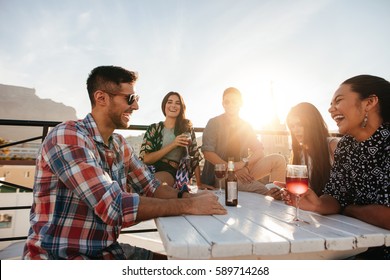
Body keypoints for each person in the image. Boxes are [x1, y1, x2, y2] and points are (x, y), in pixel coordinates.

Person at [23, 66, 226, 260]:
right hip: (60, 257)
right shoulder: (67, 136)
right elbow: (114, 207)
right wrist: (189, 205)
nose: (136, 105)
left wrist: (192, 196)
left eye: (136, 98)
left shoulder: (120, 144)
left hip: (106, 250)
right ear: (101, 98)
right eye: (130, 98)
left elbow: (152, 186)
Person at [279, 75, 390, 259]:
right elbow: (336, 197)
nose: (330, 109)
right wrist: (317, 204)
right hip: (356, 246)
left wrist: (349, 209)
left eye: (338, 101)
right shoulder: (346, 146)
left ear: (369, 102)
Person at [201, 87, 286, 194]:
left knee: (278, 160)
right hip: (220, 175)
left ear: (240, 103)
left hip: (243, 171)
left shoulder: (246, 126)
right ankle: (273, 194)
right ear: (223, 104)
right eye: (227, 102)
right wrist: (233, 168)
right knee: (262, 189)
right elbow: (208, 153)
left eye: (234, 101)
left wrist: (243, 164)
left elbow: (259, 150)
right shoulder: (214, 123)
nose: (231, 104)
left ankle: (277, 192)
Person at [139, 91, 212, 190]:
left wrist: (199, 183)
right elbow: (146, 159)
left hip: (171, 171)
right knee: (134, 183)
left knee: (152, 184)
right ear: (164, 105)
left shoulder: (186, 129)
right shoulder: (154, 128)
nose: (173, 105)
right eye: (169, 102)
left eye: (177, 103)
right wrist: (173, 144)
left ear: (181, 108)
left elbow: (194, 156)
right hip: (150, 169)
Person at [270, 102, 339, 198]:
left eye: (300, 124)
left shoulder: (332, 145)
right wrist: (285, 192)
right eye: (292, 126)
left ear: (313, 124)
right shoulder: (298, 153)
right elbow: (304, 190)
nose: (295, 130)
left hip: (332, 209)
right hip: (308, 209)